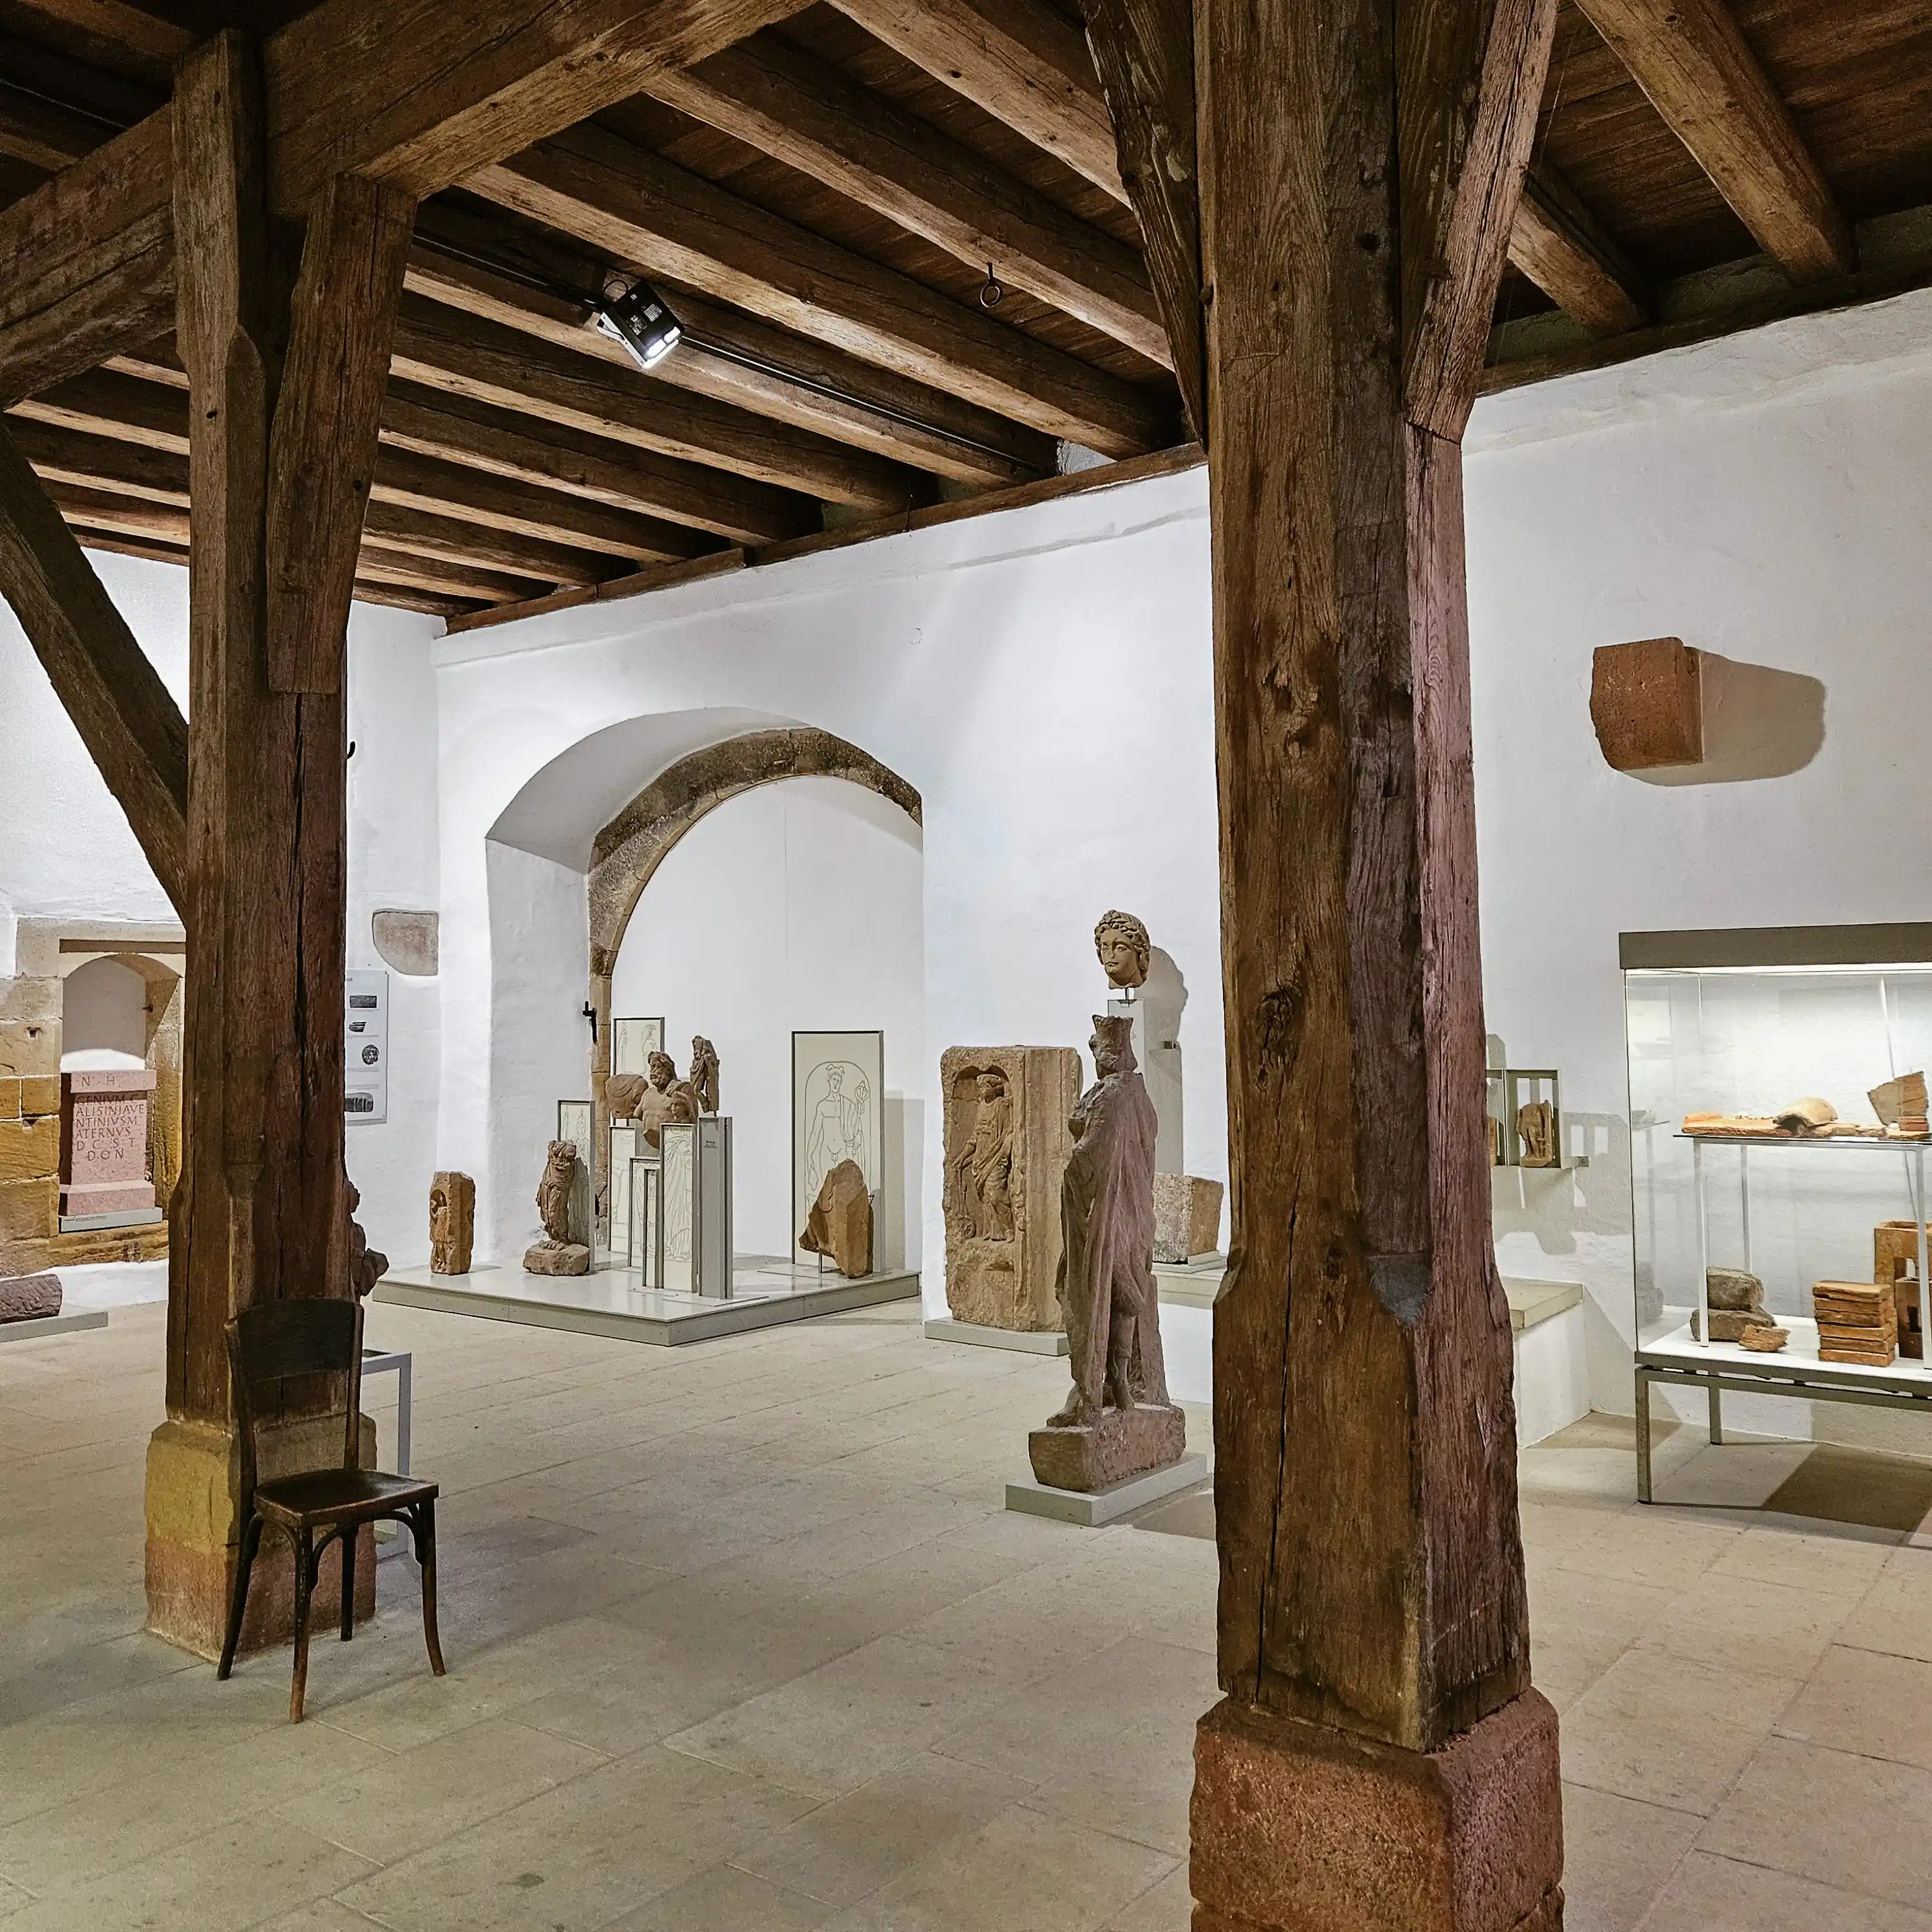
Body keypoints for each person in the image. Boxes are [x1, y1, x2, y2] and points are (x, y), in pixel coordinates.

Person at [1048, 1015, 1168, 1426]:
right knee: (1127, 1296)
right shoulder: (1139, 1095)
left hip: (1110, 1219)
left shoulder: (1109, 1097)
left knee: (1091, 1293)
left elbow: (1087, 1158)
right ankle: (1118, 1383)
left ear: (1110, 1053)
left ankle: (1091, 1390)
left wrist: (1068, 1175)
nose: (1094, 1055)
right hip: (1136, 1219)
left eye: (1096, 1048)